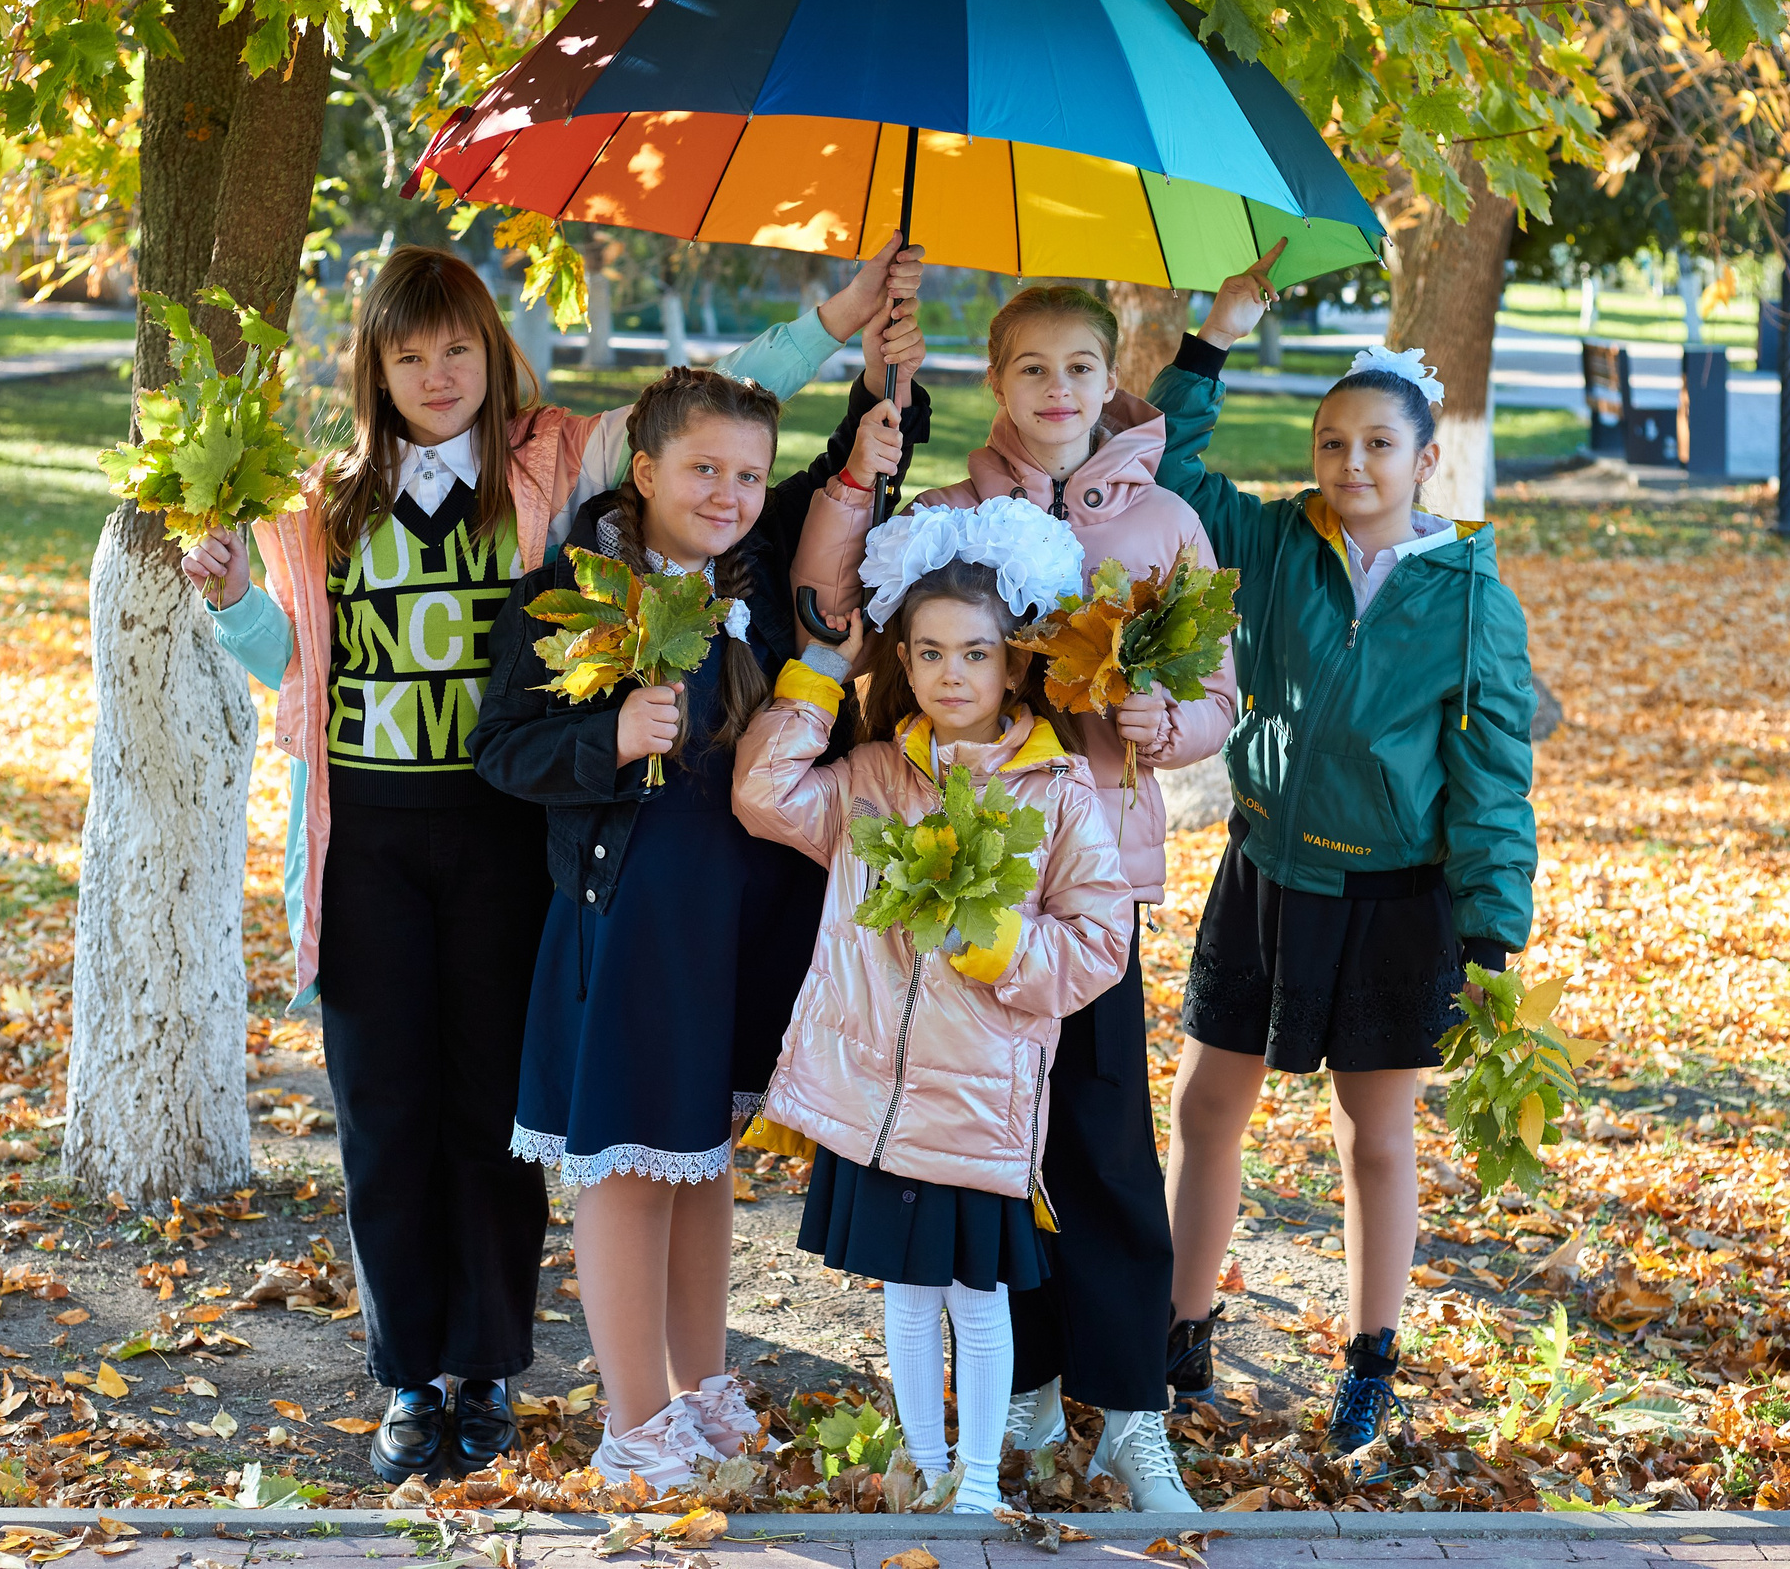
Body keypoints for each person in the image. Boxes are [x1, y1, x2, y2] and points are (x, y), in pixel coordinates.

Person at [179, 238, 923, 1486]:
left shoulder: (548, 461)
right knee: (383, 1111)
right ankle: (409, 1377)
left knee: (495, 1109)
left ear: (492, 352)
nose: (437, 374)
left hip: (512, 831)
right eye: (408, 355)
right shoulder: (321, 502)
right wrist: (233, 599)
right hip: (370, 829)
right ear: (373, 368)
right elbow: (295, 671)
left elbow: (705, 417)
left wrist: (839, 319)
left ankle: (485, 1370)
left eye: (457, 347)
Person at [812, 285, 1230, 1507]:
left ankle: (1132, 1414)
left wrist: (1168, 724)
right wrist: (864, 460)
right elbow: (854, 622)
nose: (1057, 389)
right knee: (994, 1155)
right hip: (951, 886)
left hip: (1087, 887)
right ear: (995, 382)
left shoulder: (1161, 524)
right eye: (1032, 368)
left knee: (1101, 1149)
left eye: (1080, 367)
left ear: (1111, 379)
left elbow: (1217, 695)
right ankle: (1031, 1388)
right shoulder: (945, 517)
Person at [473, 359, 906, 1493]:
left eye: (749, 476)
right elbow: (501, 749)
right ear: (646, 468)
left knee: (701, 1156)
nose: (729, 493)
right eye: (704, 469)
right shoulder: (571, 596)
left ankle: (699, 1386)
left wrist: (883, 391)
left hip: (738, 921)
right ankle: (633, 1425)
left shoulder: (758, 584)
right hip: (630, 922)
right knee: (628, 1161)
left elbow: (846, 493)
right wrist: (609, 739)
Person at [1144, 243, 1539, 1453]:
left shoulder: (1469, 600)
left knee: (1375, 1136)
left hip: (1395, 897)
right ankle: (1178, 1330)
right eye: (1330, 443)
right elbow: (1162, 470)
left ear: (1425, 460)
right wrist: (1212, 337)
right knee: (1205, 1104)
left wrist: (1492, 931)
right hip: (1268, 871)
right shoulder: (1271, 544)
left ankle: (1369, 1361)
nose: (1351, 463)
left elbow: (1492, 779)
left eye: (1377, 444)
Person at [732, 500, 1134, 1514]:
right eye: (928, 653)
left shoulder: (1058, 792)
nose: (952, 674)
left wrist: (998, 947)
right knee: (908, 1296)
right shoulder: (871, 779)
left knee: (976, 1299)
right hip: (875, 1094)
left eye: (975, 654)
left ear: (1012, 666)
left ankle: (979, 1486)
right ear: (903, 663)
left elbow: (1099, 943)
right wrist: (821, 670)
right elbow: (764, 794)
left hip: (978, 1097)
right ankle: (922, 1466)